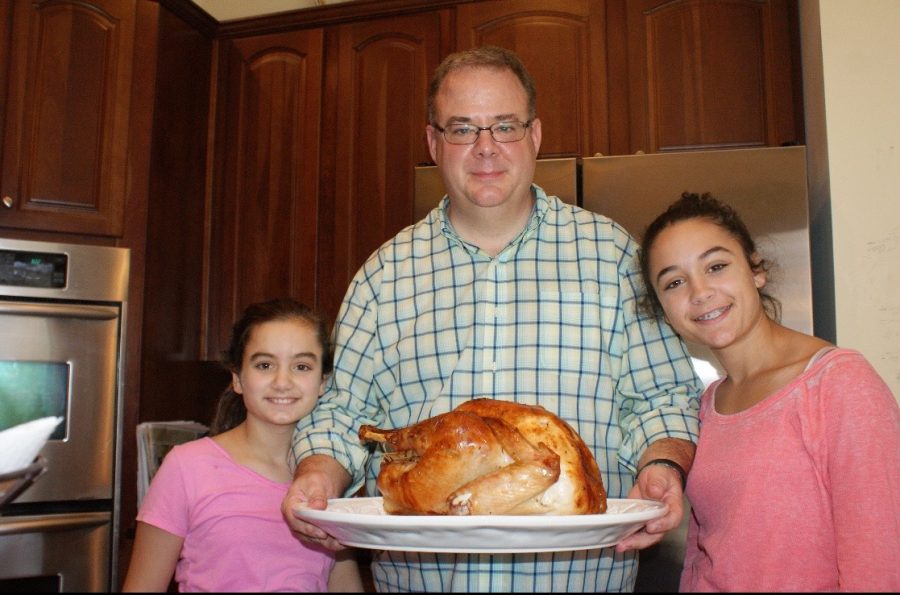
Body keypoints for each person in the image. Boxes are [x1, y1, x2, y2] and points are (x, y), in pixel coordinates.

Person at [281, 46, 703, 592]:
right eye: (462, 129)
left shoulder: (611, 256)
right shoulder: (384, 275)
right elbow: (342, 412)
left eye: (504, 125)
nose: (485, 148)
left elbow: (663, 396)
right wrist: (316, 477)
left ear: (535, 135)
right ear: (433, 142)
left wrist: (663, 468)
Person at [638, 192, 900, 592]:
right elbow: (704, 554)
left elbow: (879, 566)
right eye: (674, 282)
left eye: (716, 266)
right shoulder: (707, 406)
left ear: (755, 268)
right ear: (662, 310)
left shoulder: (839, 384)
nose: (700, 291)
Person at [122, 298, 363, 592]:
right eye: (264, 365)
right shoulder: (186, 467)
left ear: (323, 382)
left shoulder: (330, 481)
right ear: (237, 378)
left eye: (301, 366)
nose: (282, 381)